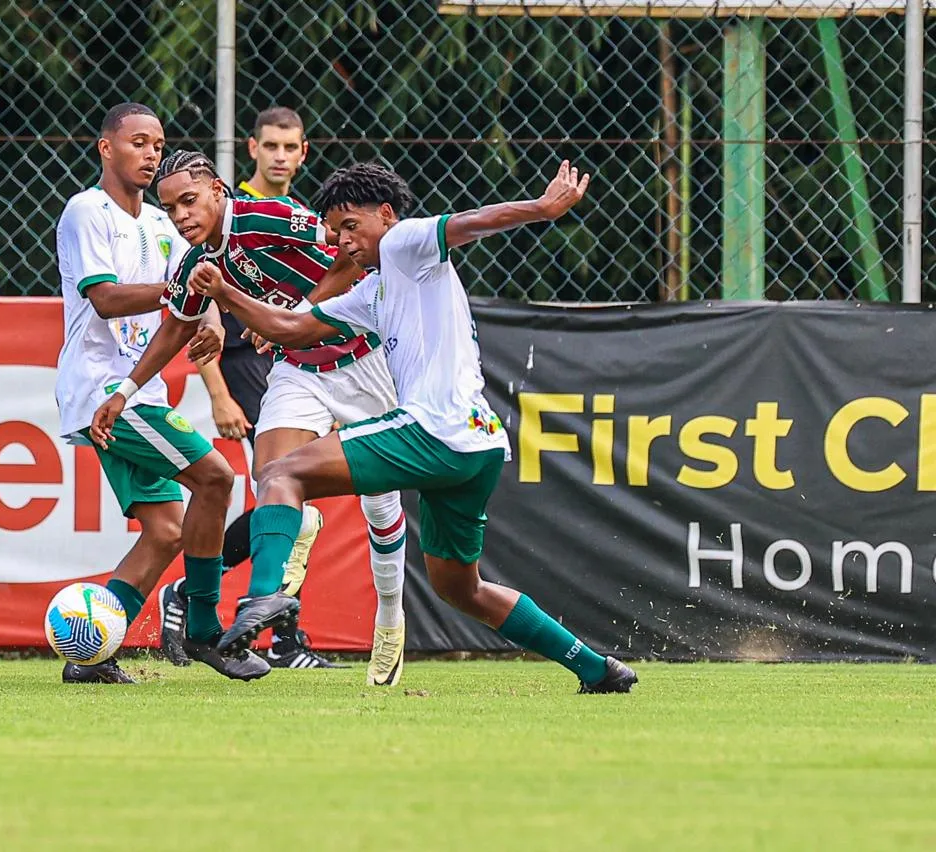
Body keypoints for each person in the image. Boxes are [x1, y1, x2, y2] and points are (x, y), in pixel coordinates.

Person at [193, 161, 639, 694]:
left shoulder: (405, 241)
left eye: (351, 226)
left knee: (283, 474)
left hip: (434, 430)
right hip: (476, 446)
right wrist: (226, 291)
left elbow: (472, 222)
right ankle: (596, 667)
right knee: (460, 588)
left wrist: (541, 210)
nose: (343, 240)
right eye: (335, 231)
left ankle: (263, 595)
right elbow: (290, 327)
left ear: (385, 214)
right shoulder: (372, 291)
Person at [90, 150, 411, 687]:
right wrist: (125, 390)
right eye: (170, 210)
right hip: (298, 370)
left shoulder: (268, 216)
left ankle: (390, 617)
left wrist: (295, 316)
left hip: (362, 361)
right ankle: (262, 601)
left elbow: (350, 257)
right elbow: (174, 326)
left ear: (218, 190)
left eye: (189, 201)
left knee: (383, 511)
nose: (182, 216)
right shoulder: (196, 265)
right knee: (274, 475)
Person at [53, 102, 269, 684]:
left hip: (135, 394)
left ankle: (88, 655)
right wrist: (188, 293)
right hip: (104, 390)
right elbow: (106, 298)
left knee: (167, 530)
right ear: (106, 148)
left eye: (158, 144)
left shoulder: (158, 223)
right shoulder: (86, 212)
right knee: (217, 478)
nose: (150, 154)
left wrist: (214, 321)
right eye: (138, 143)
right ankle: (204, 631)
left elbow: (199, 299)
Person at [160, 107, 343, 670]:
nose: (281, 156)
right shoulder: (222, 212)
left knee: (292, 497)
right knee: (284, 488)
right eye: (271, 146)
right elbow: (201, 315)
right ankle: (271, 628)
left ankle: (271, 624)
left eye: (291, 146)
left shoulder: (291, 215)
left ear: (304, 151)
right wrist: (217, 391)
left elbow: (327, 268)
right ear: (252, 151)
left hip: (315, 347)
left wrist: (291, 319)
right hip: (253, 362)